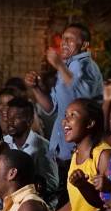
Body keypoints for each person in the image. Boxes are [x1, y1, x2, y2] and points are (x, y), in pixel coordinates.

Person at [24, 23, 103, 164]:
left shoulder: (88, 66)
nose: (64, 43)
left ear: (84, 45)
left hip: (79, 150)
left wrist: (59, 65)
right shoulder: (66, 67)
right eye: (64, 38)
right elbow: (51, 108)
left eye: (70, 39)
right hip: (59, 147)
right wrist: (35, 88)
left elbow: (83, 96)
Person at [53, 98, 111, 211]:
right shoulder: (76, 154)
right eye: (66, 115)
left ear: (90, 123)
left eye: (73, 115)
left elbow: (107, 204)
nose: (65, 120)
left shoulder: (103, 155)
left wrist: (83, 186)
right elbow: (75, 203)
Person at [3, 97, 59, 207]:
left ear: (29, 121)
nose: (10, 122)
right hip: (10, 203)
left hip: (37, 203)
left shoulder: (44, 147)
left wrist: (27, 186)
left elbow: (53, 183)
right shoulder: (4, 142)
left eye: (17, 118)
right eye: (8, 117)